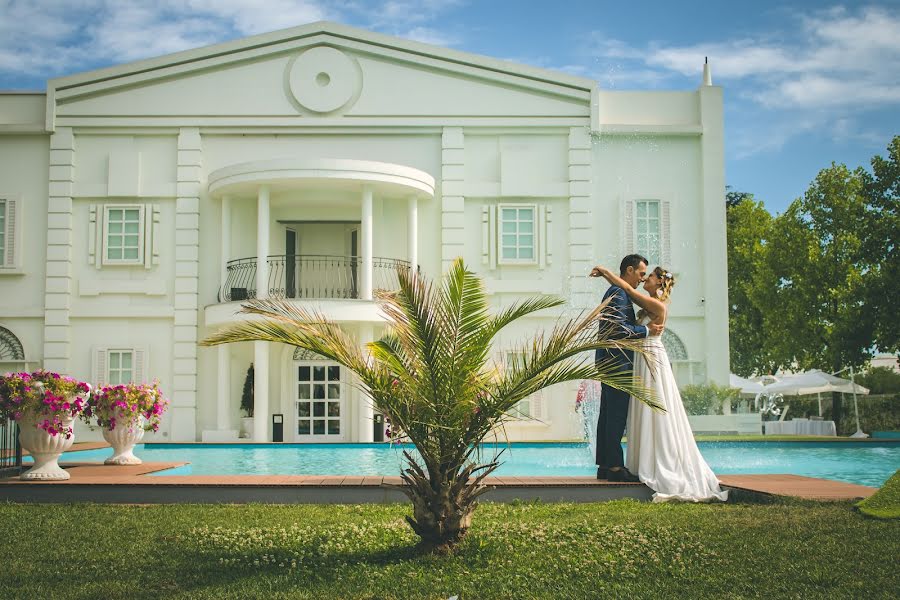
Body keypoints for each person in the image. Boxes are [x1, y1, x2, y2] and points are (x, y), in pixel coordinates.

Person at [592, 264, 728, 502]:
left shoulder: (656, 305)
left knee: (651, 412)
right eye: (643, 274)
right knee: (636, 412)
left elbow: (626, 288)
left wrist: (605, 272)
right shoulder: (640, 300)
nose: (645, 278)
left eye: (650, 276)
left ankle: (654, 462)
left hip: (650, 358)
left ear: (659, 283)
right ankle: (624, 463)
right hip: (641, 358)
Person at [589, 254, 664, 482]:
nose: (642, 279)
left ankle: (605, 464)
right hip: (617, 361)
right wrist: (646, 331)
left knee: (608, 414)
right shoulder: (619, 294)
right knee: (615, 415)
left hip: (609, 360)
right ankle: (613, 467)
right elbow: (618, 331)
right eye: (641, 274)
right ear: (629, 271)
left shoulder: (617, 291)